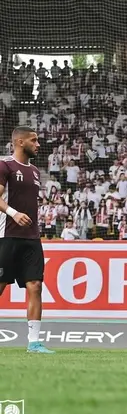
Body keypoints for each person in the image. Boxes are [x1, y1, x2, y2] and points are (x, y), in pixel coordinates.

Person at [0, 127, 55, 353]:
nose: (38, 144)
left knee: (35, 286)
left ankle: (34, 342)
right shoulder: (5, 165)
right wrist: (13, 213)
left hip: (31, 237)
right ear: (20, 142)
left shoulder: (34, 171)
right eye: (34, 140)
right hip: (7, 236)